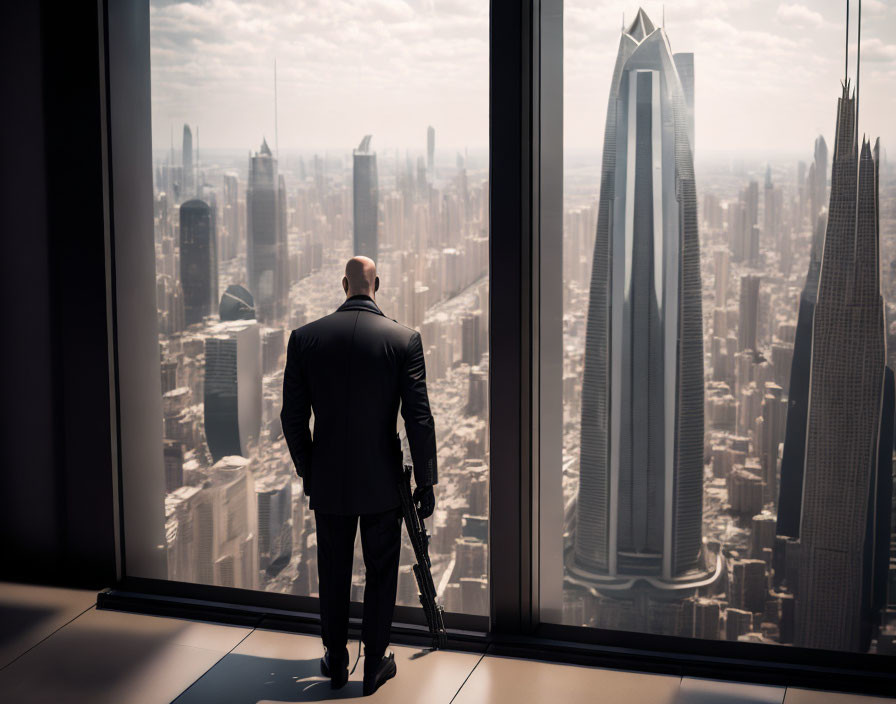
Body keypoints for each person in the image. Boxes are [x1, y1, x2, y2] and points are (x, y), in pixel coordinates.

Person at [281, 256, 437, 696]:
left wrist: (311, 472)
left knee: (332, 568)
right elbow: (419, 419)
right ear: (378, 285)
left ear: (344, 284)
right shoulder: (403, 339)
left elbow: (292, 418)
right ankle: (375, 663)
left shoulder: (305, 339)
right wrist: (426, 480)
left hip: (328, 478)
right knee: (381, 569)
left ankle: (335, 659)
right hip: (383, 480)